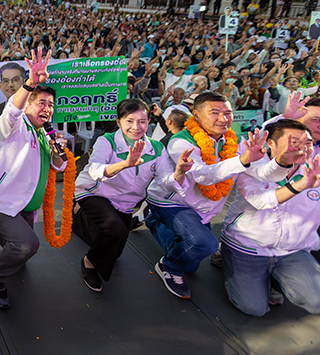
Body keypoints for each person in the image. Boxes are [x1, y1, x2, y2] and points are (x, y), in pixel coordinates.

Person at [145, 92, 268, 299]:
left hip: (204, 209)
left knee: (191, 265)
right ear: (196, 115)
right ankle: (168, 266)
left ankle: (156, 223)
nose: (223, 118)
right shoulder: (181, 141)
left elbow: (262, 172)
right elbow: (203, 176)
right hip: (173, 202)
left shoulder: (236, 141)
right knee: (204, 244)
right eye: (215, 112)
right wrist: (242, 161)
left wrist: (283, 164)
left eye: (228, 113)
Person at [0, 49, 64, 308]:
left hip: (24, 207)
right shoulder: (15, 126)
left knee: (20, 254)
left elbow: (59, 166)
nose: (47, 109)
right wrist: (30, 82)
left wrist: (58, 153)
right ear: (28, 105)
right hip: (0, 200)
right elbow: (12, 110)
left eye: (51, 105)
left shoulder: (46, 134)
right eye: (41, 103)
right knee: (26, 246)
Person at [72, 99, 190, 292]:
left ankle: (83, 220)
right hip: (94, 191)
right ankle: (89, 262)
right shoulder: (107, 141)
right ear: (118, 121)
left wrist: (179, 173)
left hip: (127, 201)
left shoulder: (156, 148)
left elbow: (164, 180)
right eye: (129, 121)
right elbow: (94, 170)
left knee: (116, 247)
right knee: (114, 229)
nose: (136, 127)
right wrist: (124, 164)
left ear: (149, 121)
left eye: (142, 121)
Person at [220, 119, 320, 316]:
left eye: (307, 143)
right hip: (249, 247)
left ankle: (275, 278)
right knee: (254, 308)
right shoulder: (251, 167)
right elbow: (261, 201)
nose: (302, 148)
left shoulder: (315, 170)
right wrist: (300, 185)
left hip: (292, 250)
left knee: (317, 300)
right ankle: (227, 260)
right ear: (270, 144)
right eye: (294, 142)